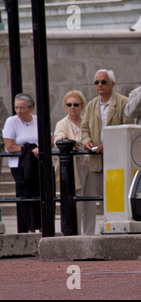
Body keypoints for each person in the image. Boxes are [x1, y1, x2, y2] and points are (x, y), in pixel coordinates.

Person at [81, 69, 133, 206]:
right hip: (97, 159)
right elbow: (84, 129)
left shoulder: (123, 102)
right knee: (101, 199)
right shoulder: (91, 105)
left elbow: (127, 130)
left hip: (117, 159)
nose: (99, 85)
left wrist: (109, 145)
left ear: (112, 84)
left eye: (103, 82)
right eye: (96, 82)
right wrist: (87, 142)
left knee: (118, 197)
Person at [54, 90, 97, 235]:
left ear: (81, 105)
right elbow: (58, 138)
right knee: (76, 203)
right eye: (69, 104)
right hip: (74, 168)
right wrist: (62, 138)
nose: (72, 107)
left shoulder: (87, 121)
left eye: (76, 104)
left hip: (90, 165)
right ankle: (77, 235)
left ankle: (89, 235)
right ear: (65, 106)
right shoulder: (62, 123)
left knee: (90, 203)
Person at [3, 94, 41, 233]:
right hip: (20, 167)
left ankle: (43, 227)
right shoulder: (11, 121)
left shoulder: (38, 120)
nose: (18, 111)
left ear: (31, 108)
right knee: (26, 196)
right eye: (16, 107)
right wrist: (30, 149)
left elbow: (49, 140)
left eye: (22, 108)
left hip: (38, 164)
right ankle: (29, 229)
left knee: (41, 195)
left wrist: (39, 149)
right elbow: (10, 146)